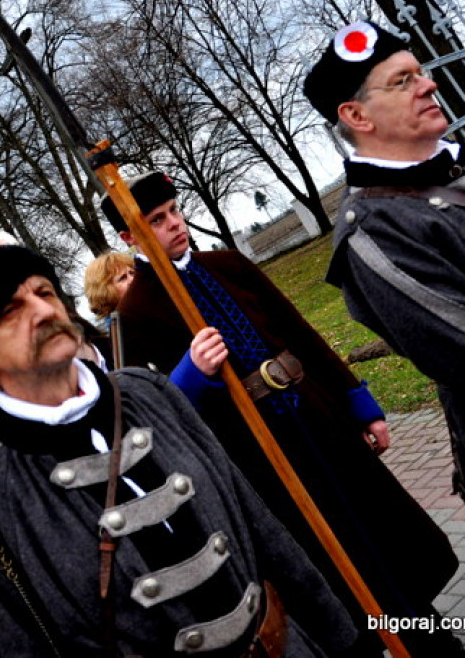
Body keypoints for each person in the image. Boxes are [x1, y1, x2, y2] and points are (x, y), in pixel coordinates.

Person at [0, 220, 357, 657]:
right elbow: (14, 646)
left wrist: (340, 640)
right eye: (11, 310)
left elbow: (259, 526)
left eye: (45, 292)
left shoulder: (150, 392)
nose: (43, 312)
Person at [107, 172, 461, 656]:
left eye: (173, 210)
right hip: (263, 465)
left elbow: (301, 334)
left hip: (319, 427)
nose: (174, 223)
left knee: (383, 550)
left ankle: (431, 641)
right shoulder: (136, 312)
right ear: (129, 236)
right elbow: (148, 420)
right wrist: (190, 374)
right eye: (156, 219)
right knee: (327, 573)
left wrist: (358, 404)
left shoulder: (228, 265)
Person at [304, 19, 465, 499]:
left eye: (420, 72)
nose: (428, 83)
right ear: (357, 116)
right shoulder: (372, 232)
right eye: (403, 81)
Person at [83, 250, 135, 327]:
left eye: (132, 273)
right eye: (122, 278)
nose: (133, 279)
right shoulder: (122, 328)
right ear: (105, 292)